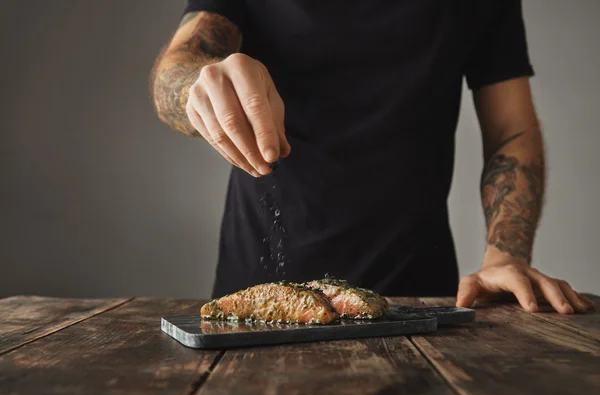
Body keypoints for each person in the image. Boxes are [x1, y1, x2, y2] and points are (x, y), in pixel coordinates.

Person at [151, 0, 595, 314]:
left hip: (418, 300)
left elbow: (510, 131)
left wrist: (506, 256)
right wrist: (197, 86)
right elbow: (183, 61)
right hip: (259, 291)